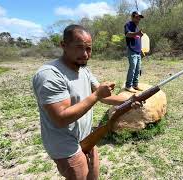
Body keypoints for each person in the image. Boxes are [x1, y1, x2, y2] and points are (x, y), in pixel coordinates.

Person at [32, 24, 141, 180]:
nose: (85, 54)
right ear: (63, 45)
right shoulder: (50, 75)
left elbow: (104, 96)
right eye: (79, 48)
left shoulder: (83, 70)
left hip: (87, 138)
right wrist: (96, 95)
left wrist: (130, 99)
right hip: (65, 146)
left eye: (88, 49)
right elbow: (61, 118)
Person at [124, 11, 144, 93]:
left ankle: (135, 85)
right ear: (132, 17)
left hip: (138, 51)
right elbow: (127, 34)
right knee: (132, 68)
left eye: (139, 17)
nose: (138, 18)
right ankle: (128, 86)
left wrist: (141, 50)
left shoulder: (137, 27)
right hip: (131, 50)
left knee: (137, 68)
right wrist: (137, 33)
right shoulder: (128, 25)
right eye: (137, 17)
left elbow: (138, 40)